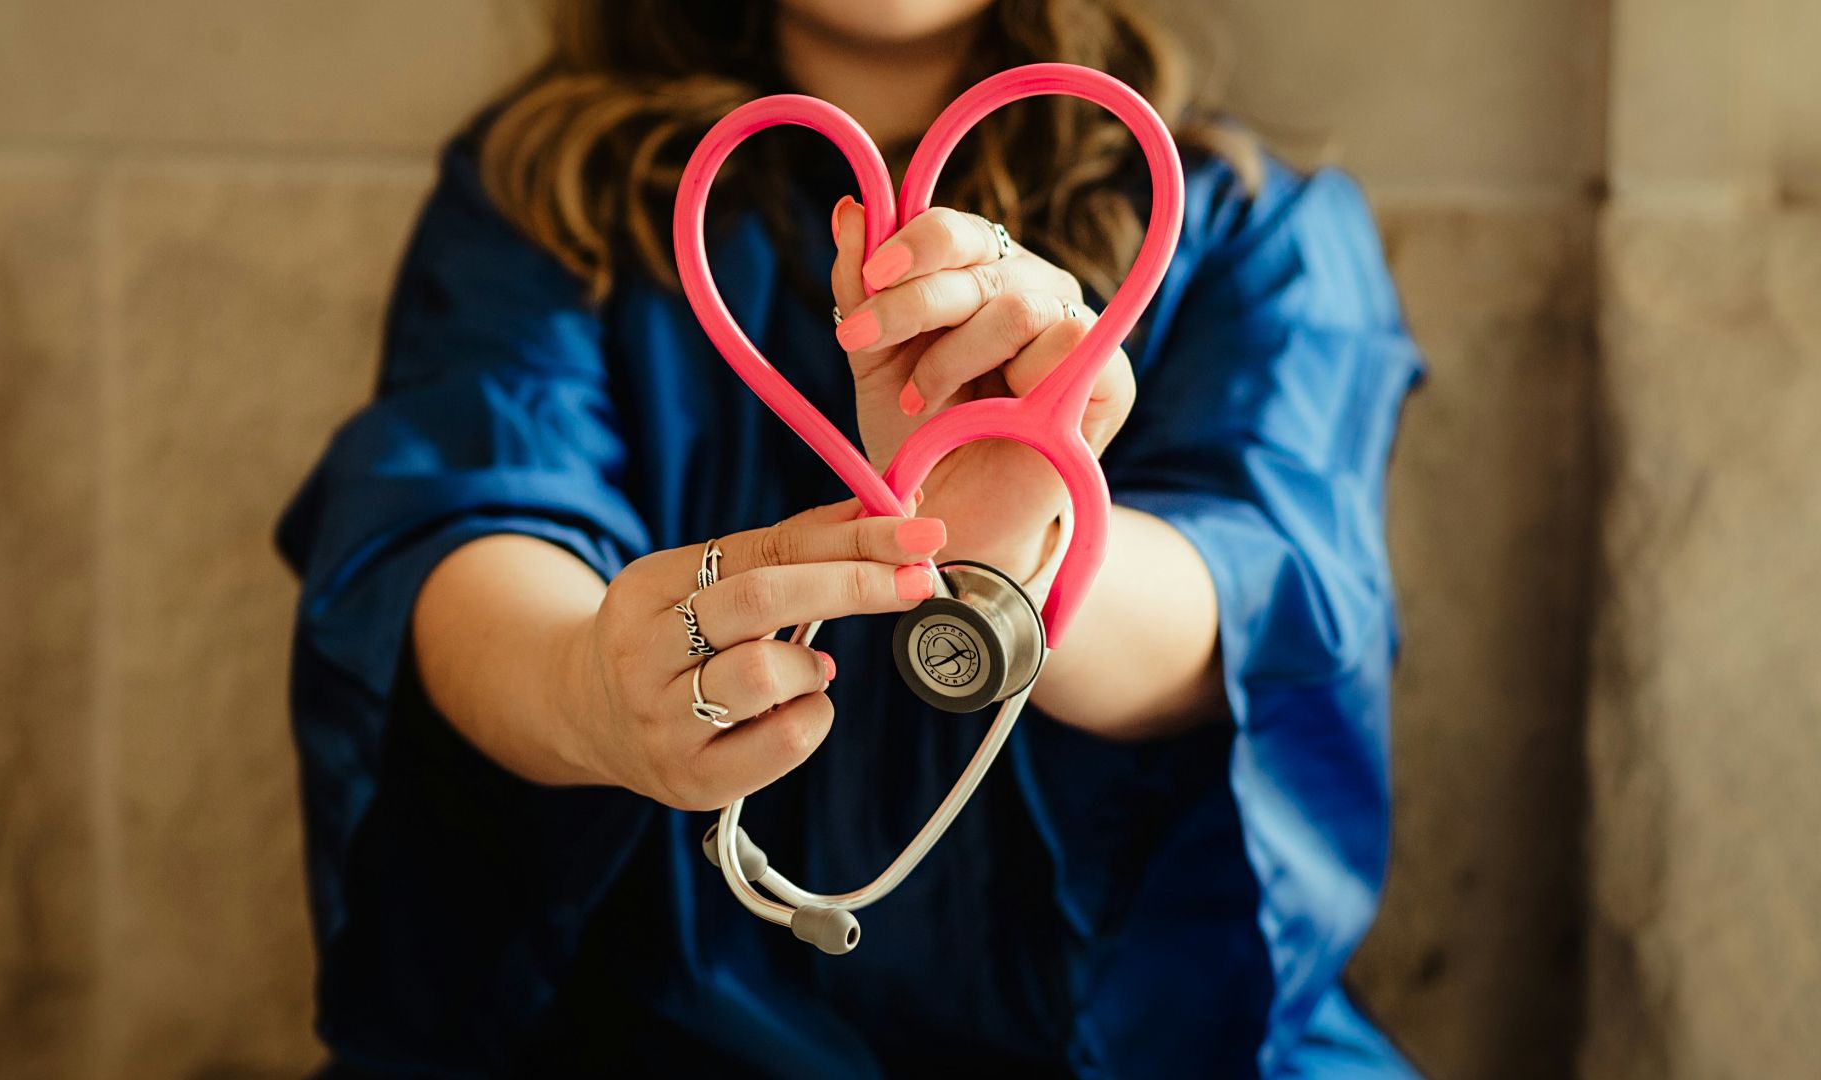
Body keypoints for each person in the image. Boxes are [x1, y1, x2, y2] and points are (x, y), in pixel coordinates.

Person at [276, 0, 1423, 1075]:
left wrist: (1015, 557)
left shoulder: (1249, 222)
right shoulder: (544, 195)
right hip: (641, 1022)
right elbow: (454, 517)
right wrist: (586, 687)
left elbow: (1268, 595)